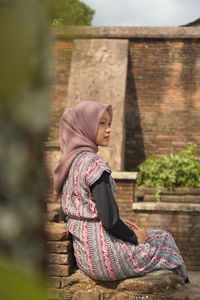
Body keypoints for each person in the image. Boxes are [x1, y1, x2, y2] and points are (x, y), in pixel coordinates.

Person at [53, 101, 189, 283]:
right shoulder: (94, 164)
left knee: (155, 237)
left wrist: (120, 222)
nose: (108, 129)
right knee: (164, 239)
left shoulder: (70, 162)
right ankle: (183, 290)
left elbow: (87, 208)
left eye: (109, 124)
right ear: (85, 126)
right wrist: (134, 237)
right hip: (106, 257)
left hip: (86, 256)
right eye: (101, 123)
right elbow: (110, 222)